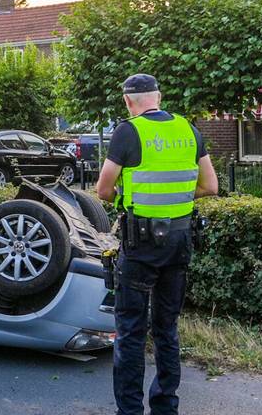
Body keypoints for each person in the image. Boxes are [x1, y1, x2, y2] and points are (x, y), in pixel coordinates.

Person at [96, 74, 217, 415]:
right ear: (159, 97)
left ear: (127, 101)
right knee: (167, 329)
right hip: (179, 242)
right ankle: (166, 407)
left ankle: (130, 410)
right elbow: (210, 186)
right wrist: (175, 199)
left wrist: (132, 198)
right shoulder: (188, 129)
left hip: (141, 245)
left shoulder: (128, 131)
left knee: (131, 331)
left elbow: (103, 190)